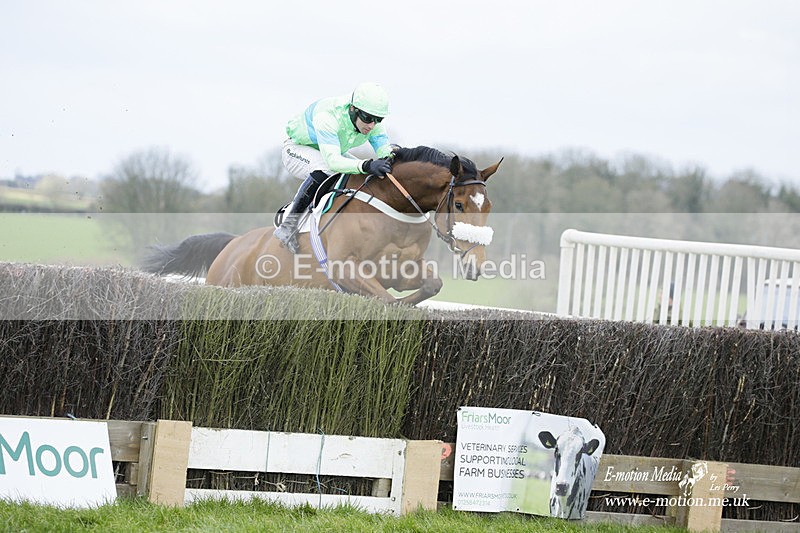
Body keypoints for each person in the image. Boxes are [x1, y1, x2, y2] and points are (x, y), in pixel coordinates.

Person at [274, 82, 394, 253]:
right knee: (331, 168)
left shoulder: (371, 120)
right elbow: (333, 162)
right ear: (353, 109)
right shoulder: (328, 116)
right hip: (297, 149)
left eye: (378, 120)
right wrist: (366, 164)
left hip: (327, 151)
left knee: (358, 175)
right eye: (367, 119)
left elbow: (386, 153)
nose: (371, 125)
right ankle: (288, 225)